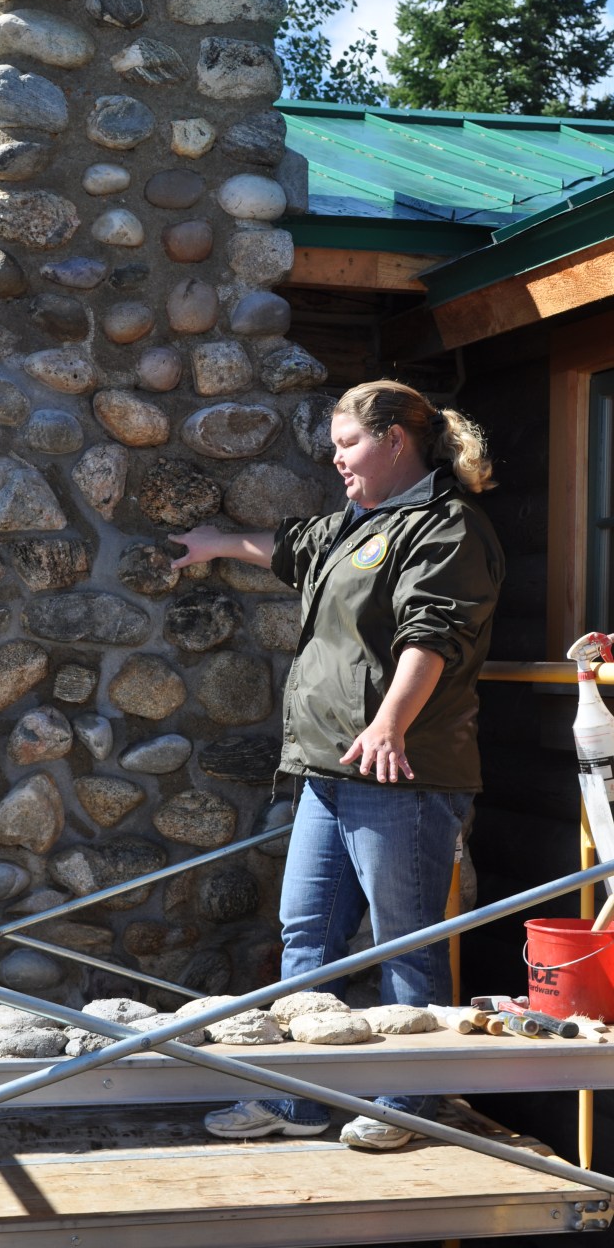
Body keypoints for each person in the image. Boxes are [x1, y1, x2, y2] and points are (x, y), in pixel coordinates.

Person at [168, 379, 504, 1151]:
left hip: (402, 779)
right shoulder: (356, 526)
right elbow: (290, 548)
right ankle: (298, 1102)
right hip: (327, 773)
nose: (336, 457)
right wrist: (216, 545)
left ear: (394, 441)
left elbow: (434, 637)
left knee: (403, 947)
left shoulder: (446, 527)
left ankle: (407, 1107)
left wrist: (390, 726)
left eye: (348, 443)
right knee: (307, 943)